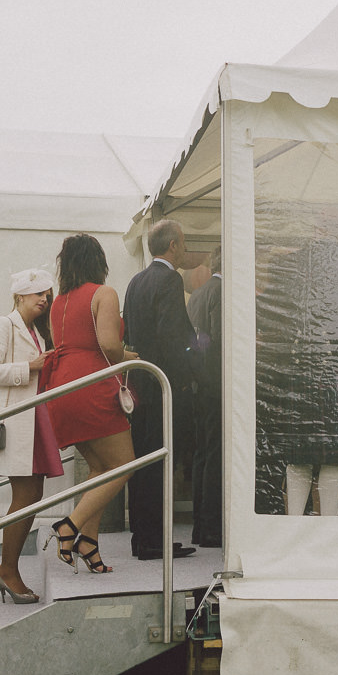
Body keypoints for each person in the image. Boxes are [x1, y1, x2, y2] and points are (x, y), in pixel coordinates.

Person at [257, 212, 338, 516]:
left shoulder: (288, 262)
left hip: (299, 369)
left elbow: (271, 321)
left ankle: (294, 525)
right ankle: (326, 524)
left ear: (315, 228)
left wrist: (276, 372)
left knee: (299, 454)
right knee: (335, 454)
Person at [40, 234, 141, 573]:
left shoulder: (58, 303)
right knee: (125, 464)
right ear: (98, 261)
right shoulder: (104, 293)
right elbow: (109, 344)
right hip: (92, 385)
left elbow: (61, 343)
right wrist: (127, 356)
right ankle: (69, 526)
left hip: (62, 388)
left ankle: (89, 544)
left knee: (101, 469)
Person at [0, 269, 63, 602]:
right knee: (25, 497)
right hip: (18, 422)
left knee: (32, 495)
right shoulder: (4, 324)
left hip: (32, 420)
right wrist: (30, 368)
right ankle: (7, 570)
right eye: (37, 293)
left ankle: (9, 569)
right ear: (19, 296)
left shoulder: (36, 329)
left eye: (47, 294)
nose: (44, 299)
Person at [122, 219, 202, 561]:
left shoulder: (135, 281)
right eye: (182, 243)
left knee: (143, 461)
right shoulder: (170, 279)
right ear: (173, 246)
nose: (184, 249)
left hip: (140, 385)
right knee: (160, 461)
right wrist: (189, 374)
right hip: (163, 387)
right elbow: (173, 336)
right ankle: (155, 541)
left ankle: (143, 537)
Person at [187, 246, 224, 547]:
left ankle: (200, 526)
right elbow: (220, 341)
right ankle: (212, 528)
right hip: (218, 384)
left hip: (200, 385)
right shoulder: (223, 293)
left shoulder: (198, 293)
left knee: (202, 455)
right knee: (215, 456)